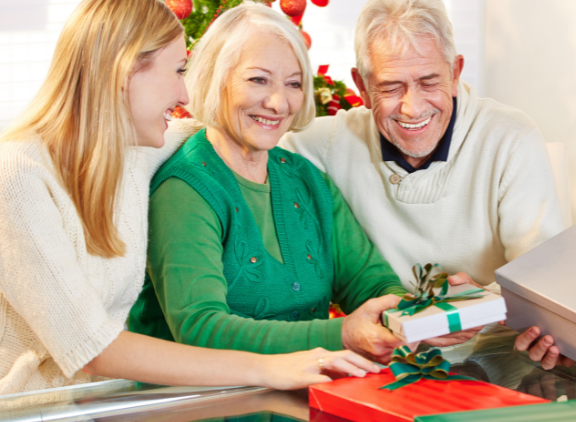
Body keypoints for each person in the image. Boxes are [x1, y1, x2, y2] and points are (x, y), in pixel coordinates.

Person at [0, 0, 379, 395]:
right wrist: (269, 368)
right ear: (125, 70)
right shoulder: (17, 175)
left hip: (104, 404)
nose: (185, 93)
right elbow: (91, 348)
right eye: (179, 71)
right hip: (34, 409)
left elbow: (230, 130)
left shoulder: (136, 150)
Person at [128, 1, 479, 365]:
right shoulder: (185, 189)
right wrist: (340, 335)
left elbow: (370, 283)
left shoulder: (308, 180)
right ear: (216, 79)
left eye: (293, 84)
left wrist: (420, 316)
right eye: (258, 79)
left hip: (298, 396)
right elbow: (200, 328)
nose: (278, 102)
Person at [279, 0, 567, 359]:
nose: (413, 108)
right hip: (381, 357)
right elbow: (245, 149)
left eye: (429, 82)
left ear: (455, 72)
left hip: (495, 355)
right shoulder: (319, 145)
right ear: (362, 86)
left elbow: (546, 276)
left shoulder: (510, 137)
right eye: (391, 87)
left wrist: (483, 301)